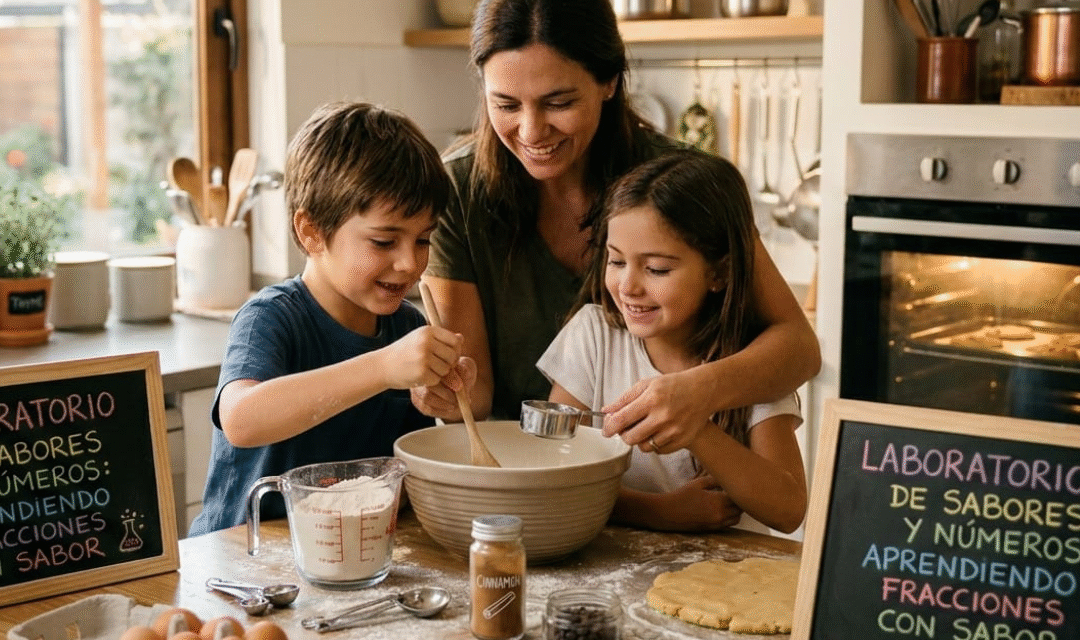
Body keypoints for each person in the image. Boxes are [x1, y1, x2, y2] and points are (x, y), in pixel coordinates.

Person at [417, 0, 820, 444]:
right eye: (506, 104)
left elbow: (799, 349)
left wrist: (697, 392)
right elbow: (475, 397)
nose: (530, 132)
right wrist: (440, 389)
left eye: (558, 102)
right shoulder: (455, 190)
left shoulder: (679, 180)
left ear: (609, 80)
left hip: (676, 486)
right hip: (527, 478)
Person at [189, 102, 473, 535]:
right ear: (311, 232)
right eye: (383, 242)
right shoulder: (271, 317)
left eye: (423, 240)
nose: (409, 263)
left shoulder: (408, 329)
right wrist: (382, 368)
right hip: (243, 565)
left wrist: (451, 410)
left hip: (351, 559)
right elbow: (242, 420)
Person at [539, 151, 807, 533]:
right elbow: (554, 475)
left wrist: (695, 427)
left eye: (656, 269)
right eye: (615, 262)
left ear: (719, 272)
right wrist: (659, 511)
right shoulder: (594, 336)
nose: (628, 287)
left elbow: (789, 509)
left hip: (728, 582)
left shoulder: (752, 361)